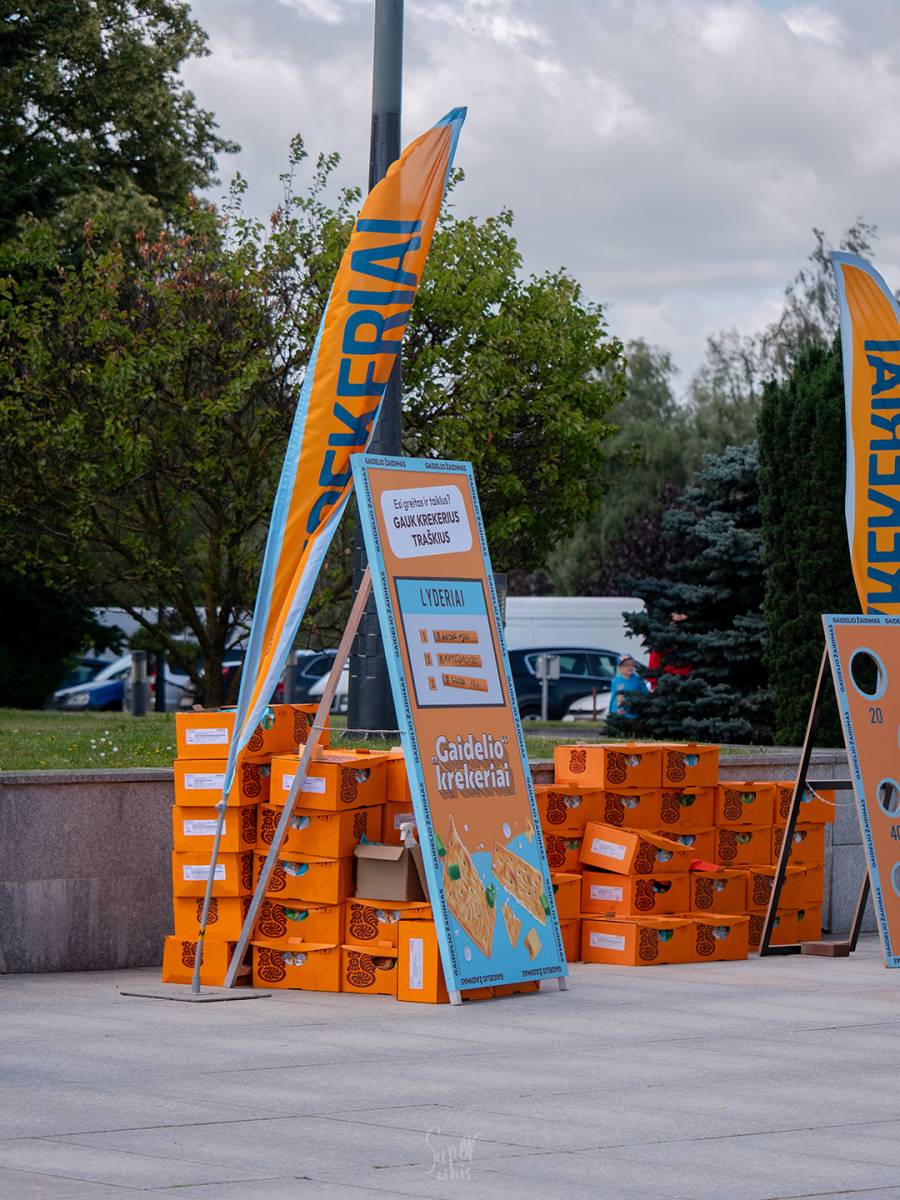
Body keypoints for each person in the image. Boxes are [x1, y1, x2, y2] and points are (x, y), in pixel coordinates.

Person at [608, 654, 648, 718]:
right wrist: (610, 711)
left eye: (632, 665)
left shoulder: (638, 680)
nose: (630, 667)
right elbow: (613, 697)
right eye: (626, 665)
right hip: (618, 713)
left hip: (633, 714)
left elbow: (646, 694)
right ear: (619, 668)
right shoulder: (615, 681)